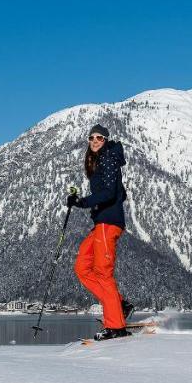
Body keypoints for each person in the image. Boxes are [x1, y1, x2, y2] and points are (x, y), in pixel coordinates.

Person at [67, 124, 134, 341]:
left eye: (100, 138)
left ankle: (116, 327)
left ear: (106, 140)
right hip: (101, 223)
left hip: (108, 223)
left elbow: (109, 192)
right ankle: (118, 303)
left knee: (103, 273)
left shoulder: (108, 157)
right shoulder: (101, 160)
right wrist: (83, 202)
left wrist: (84, 201)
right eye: (91, 138)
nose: (95, 141)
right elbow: (119, 193)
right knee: (82, 268)